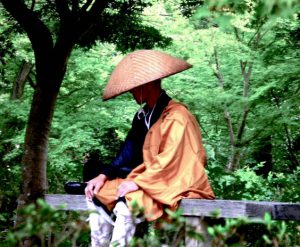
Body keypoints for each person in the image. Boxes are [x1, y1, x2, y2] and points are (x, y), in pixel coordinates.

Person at [84, 50, 215, 247]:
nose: (131, 91)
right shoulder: (143, 115)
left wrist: (138, 182)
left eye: (134, 87)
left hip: (177, 180)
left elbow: (172, 160)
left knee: (126, 206)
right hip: (149, 178)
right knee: (97, 196)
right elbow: (128, 153)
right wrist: (103, 175)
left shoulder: (177, 116)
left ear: (148, 84)